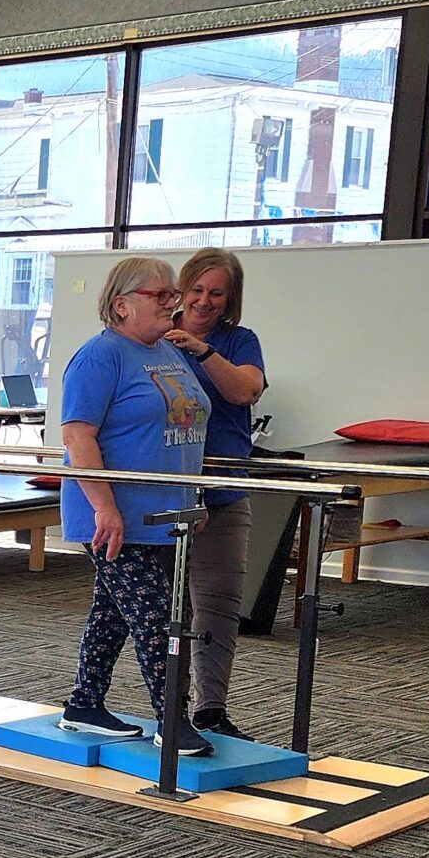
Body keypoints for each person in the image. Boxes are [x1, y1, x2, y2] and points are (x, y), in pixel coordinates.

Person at [56, 255, 213, 750]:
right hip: (115, 516)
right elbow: (78, 435)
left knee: (114, 611)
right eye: (160, 294)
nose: (174, 302)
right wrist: (105, 507)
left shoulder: (169, 352)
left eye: (174, 293)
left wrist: (194, 497)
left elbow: (181, 430)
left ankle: (84, 704)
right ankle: (172, 720)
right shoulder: (99, 356)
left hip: (168, 512)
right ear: (122, 305)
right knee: (159, 618)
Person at [164, 247, 267, 741]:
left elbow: (244, 390)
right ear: (181, 290)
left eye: (216, 293)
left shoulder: (239, 341)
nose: (203, 301)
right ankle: (171, 709)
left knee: (218, 604)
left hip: (223, 490)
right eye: (197, 290)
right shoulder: (152, 337)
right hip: (165, 490)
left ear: (230, 300)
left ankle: (210, 708)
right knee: (162, 607)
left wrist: (202, 350)